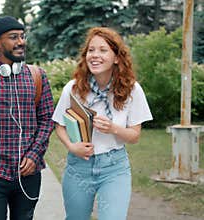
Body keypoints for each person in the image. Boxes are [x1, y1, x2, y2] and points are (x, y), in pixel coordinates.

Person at [52, 27, 153, 220]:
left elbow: (135, 136)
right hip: (78, 167)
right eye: (91, 50)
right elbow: (60, 125)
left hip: (114, 168)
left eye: (102, 50)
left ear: (116, 57)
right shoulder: (73, 88)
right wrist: (72, 147)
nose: (95, 55)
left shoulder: (131, 89)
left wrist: (113, 128)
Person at [0, 16, 54, 220]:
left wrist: (34, 155)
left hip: (28, 174)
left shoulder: (38, 75)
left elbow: (47, 119)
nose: (21, 42)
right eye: (13, 37)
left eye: (22, 37)